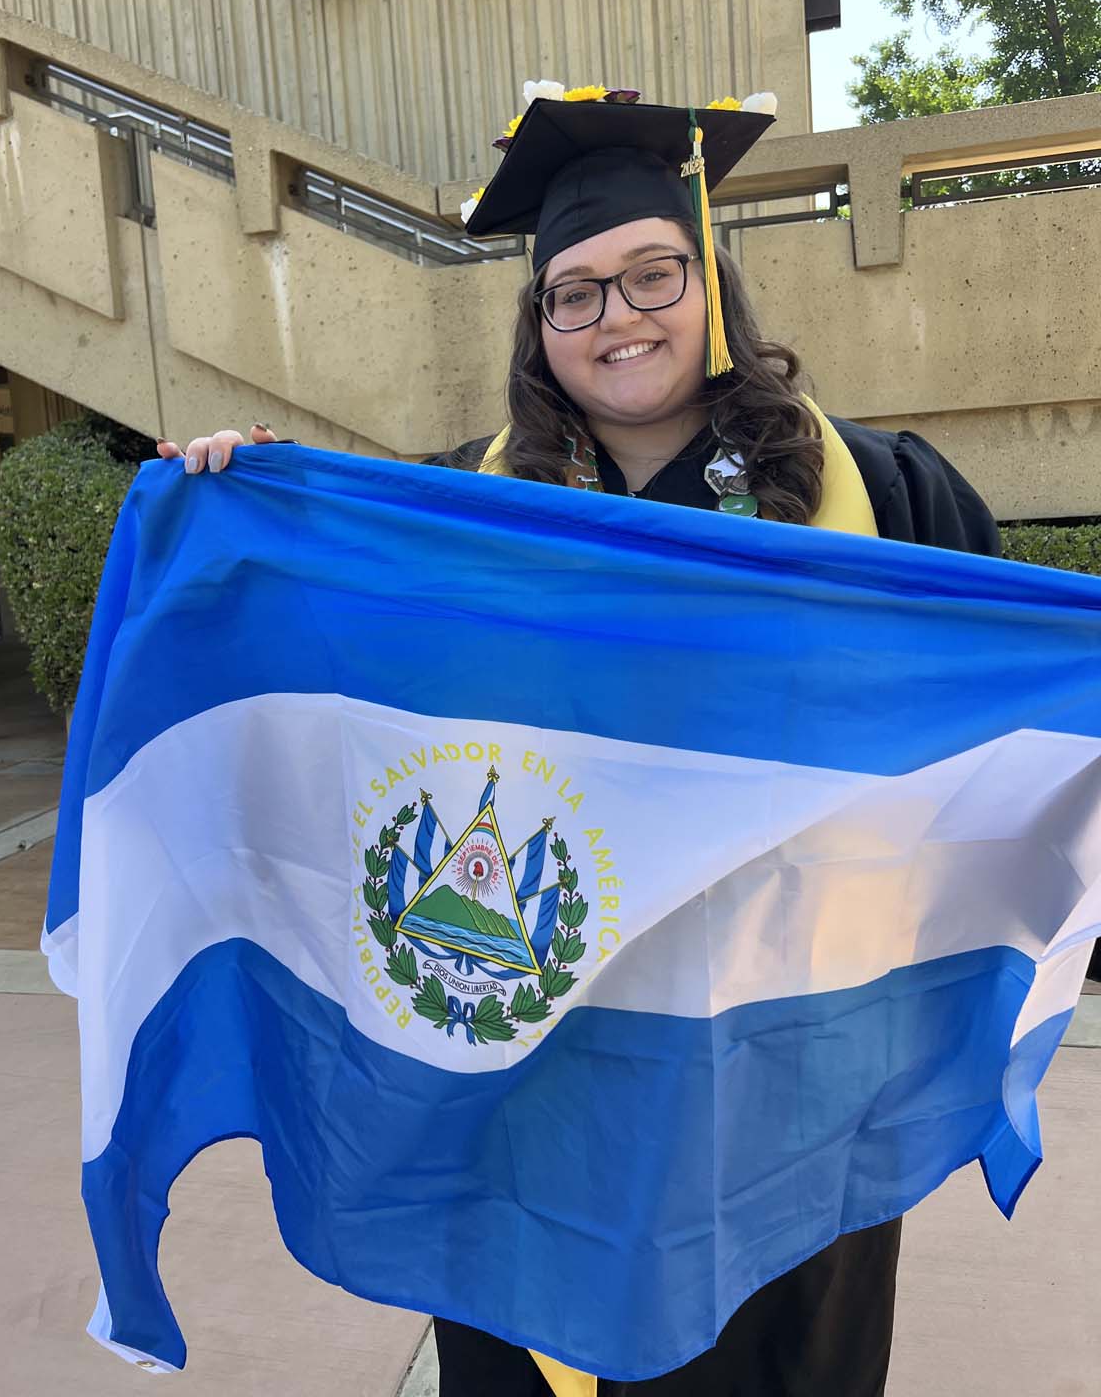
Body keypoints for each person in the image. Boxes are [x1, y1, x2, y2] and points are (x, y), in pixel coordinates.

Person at [156, 85, 1000, 1397]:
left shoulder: (882, 494)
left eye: (654, 274)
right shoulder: (463, 513)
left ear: (711, 281)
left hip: (788, 1056)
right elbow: (328, 657)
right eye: (577, 293)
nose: (620, 317)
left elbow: (1002, 733)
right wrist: (243, 504)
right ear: (538, 324)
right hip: (538, 1050)